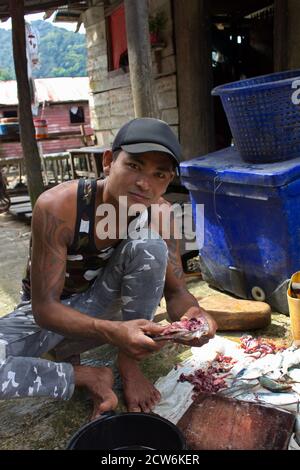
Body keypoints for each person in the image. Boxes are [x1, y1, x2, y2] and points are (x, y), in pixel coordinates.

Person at [0, 118, 216, 419]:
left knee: (149, 245)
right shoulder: (59, 207)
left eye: (160, 175)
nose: (144, 183)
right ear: (108, 161)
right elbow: (44, 308)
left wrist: (194, 316)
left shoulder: (161, 214)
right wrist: (113, 332)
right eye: (134, 166)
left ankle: (129, 364)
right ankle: (85, 375)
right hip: (52, 318)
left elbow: (177, 291)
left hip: (109, 307)